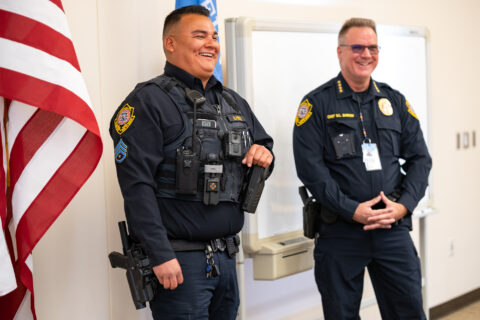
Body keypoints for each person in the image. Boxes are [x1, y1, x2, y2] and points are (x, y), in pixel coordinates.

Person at [109, 5, 273, 320]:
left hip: (226, 258)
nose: (211, 43)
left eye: (214, 36)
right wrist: (160, 254)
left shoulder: (231, 101)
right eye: (200, 36)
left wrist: (265, 153)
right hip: (180, 262)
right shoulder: (148, 101)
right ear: (170, 43)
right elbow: (136, 186)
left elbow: (263, 144)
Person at [293, 17, 432, 320]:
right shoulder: (316, 105)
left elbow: (421, 159)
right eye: (357, 47)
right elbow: (311, 171)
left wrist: (403, 206)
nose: (366, 54)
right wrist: (352, 209)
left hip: (391, 230)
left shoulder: (394, 102)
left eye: (372, 47)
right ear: (340, 52)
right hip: (340, 232)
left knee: (408, 312)